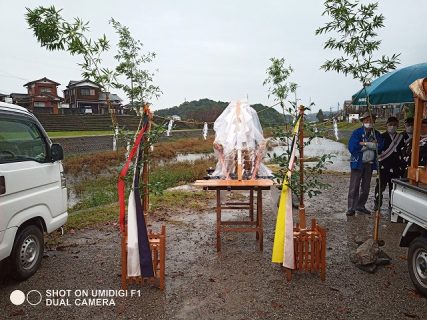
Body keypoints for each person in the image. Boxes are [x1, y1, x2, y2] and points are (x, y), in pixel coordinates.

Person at [346, 112, 384, 216]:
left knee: (366, 187)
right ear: (362, 121)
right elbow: (352, 147)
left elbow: (380, 146)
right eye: (366, 120)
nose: (369, 122)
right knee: (354, 186)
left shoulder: (376, 134)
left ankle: (360, 205)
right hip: (358, 163)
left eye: (371, 120)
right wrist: (371, 145)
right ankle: (351, 207)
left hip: (369, 164)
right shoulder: (357, 133)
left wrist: (365, 144)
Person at [373, 116, 406, 212]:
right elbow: (377, 151)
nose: (392, 127)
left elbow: (403, 152)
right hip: (384, 165)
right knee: (380, 186)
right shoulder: (381, 137)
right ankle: (378, 204)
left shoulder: (401, 137)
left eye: (395, 125)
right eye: (390, 125)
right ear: (386, 125)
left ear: (398, 126)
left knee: (394, 188)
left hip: (396, 166)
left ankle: (392, 205)